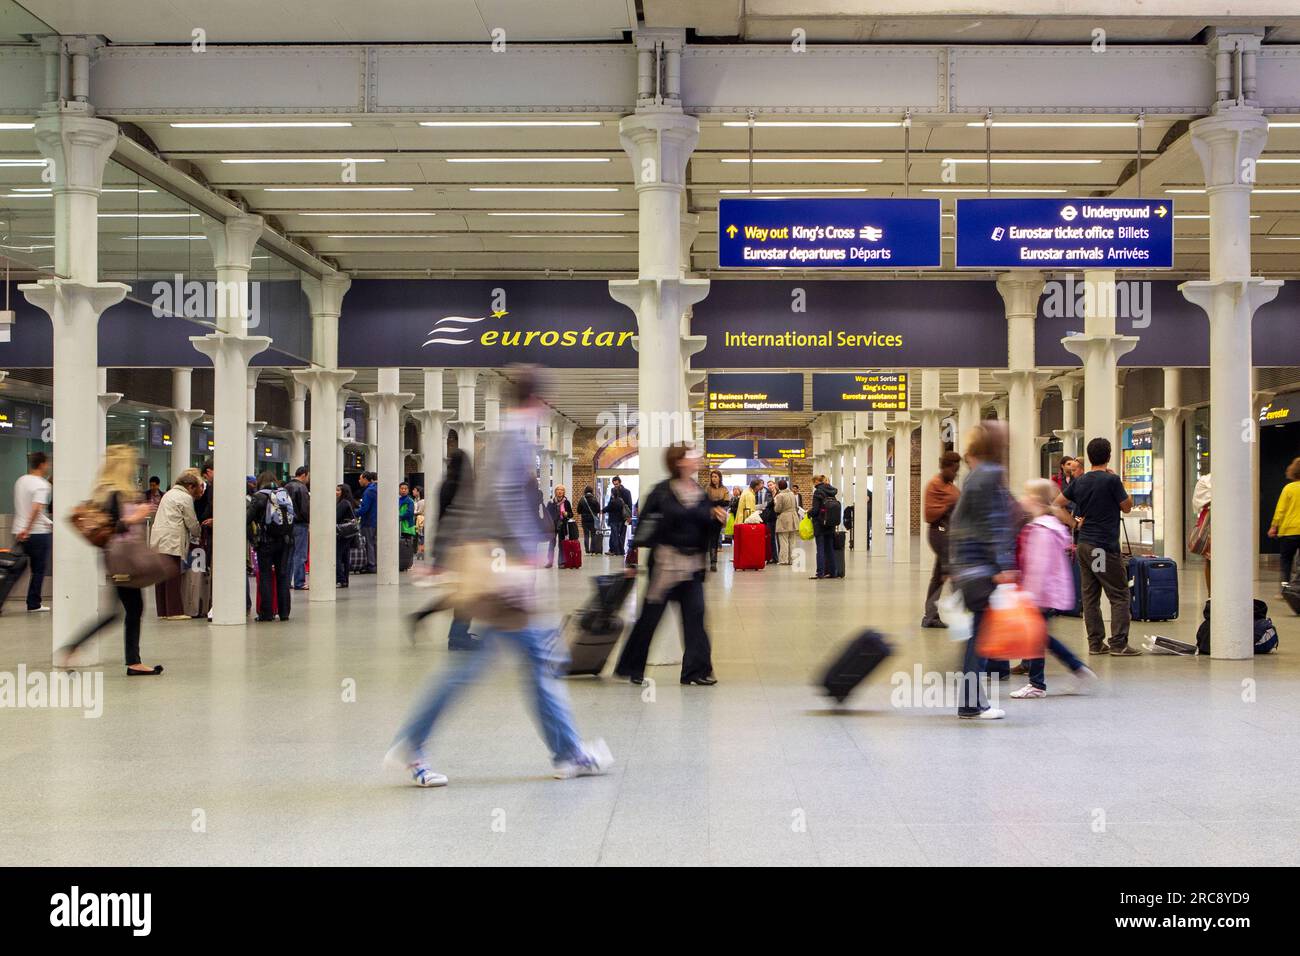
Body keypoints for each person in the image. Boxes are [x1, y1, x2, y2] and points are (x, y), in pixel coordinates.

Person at [386, 366, 612, 787]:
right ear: (540, 403)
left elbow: (472, 502)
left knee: (510, 663)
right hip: (504, 576)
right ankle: (567, 754)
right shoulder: (516, 437)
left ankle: (566, 752)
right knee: (521, 664)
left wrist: (444, 555)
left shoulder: (509, 436)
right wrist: (525, 557)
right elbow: (501, 500)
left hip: (499, 572)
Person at [614, 443, 725, 686]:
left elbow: (706, 528)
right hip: (665, 567)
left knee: (696, 618)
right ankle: (632, 667)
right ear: (678, 462)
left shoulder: (699, 493)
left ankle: (696, 672)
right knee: (649, 620)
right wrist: (631, 560)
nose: (697, 459)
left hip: (691, 567)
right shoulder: (661, 492)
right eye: (691, 456)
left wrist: (717, 521)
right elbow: (643, 526)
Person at [56, 446, 163, 676]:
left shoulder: (106, 491)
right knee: (128, 610)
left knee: (125, 610)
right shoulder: (114, 493)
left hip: (116, 558)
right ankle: (129, 661)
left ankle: (128, 660)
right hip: (121, 559)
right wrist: (136, 515)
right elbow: (114, 527)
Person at [949, 422, 1016, 720]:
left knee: (977, 635)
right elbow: (995, 525)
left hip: (966, 567)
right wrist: (1004, 565)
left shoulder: (972, 478)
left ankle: (971, 701)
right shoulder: (990, 475)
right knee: (979, 637)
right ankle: (972, 703)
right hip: (981, 569)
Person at [1010, 479, 1098, 699]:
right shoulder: (1051, 527)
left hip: (1040, 593)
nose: (1024, 499)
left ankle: (1038, 683)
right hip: (1047, 591)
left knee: (1036, 636)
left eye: (1027, 495)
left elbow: (1039, 565)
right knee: (1041, 636)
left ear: (1037, 501)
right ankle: (1077, 668)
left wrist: (1028, 594)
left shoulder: (1041, 530)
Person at [1055, 437, 1139, 657]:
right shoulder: (1111, 480)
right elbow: (1127, 507)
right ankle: (1119, 643)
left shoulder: (1080, 481)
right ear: (1109, 455)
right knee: (1119, 594)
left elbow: (1057, 505)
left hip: (1083, 544)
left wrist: (1074, 523)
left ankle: (1095, 643)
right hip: (1102, 548)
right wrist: (1125, 490)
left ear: (1089, 457)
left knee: (1090, 596)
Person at [409, 447, 479, 651]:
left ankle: (434, 622)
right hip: (461, 546)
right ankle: (457, 636)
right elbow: (465, 518)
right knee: (469, 593)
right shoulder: (461, 487)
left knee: (463, 592)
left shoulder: (445, 485)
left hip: (447, 545)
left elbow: (441, 517)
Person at [149, 472, 202, 620]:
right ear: (190, 486)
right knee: (173, 575)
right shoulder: (185, 497)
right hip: (171, 539)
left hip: (158, 537)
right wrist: (198, 532)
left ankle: (163, 611)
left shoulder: (169, 494)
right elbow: (191, 522)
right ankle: (174, 611)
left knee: (161, 577)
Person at [921, 451, 962, 628]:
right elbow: (929, 514)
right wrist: (949, 506)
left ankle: (930, 616)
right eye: (953, 470)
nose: (955, 474)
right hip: (939, 534)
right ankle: (960, 616)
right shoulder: (934, 485)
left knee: (938, 577)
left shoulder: (950, 486)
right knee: (952, 573)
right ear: (945, 467)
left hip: (949, 534)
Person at [247, 472, 294, 622]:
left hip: (266, 542)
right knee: (283, 576)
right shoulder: (284, 495)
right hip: (285, 541)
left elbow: (248, 519)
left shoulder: (259, 496)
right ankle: (284, 612)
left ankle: (266, 613)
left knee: (266, 577)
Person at [13, 451, 52, 613]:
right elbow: (36, 508)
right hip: (36, 533)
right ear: (42, 464)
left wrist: (22, 529)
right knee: (38, 570)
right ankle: (33, 603)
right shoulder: (42, 484)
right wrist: (27, 529)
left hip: (18, 530)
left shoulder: (21, 481)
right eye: (47, 463)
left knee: (14, 569)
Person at [1269, 457, 1300, 587]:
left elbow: (1280, 510)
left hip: (1289, 531)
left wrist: (1273, 527)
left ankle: (1285, 588)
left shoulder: (1288, 488)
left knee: (1286, 560)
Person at [808, 475, 840, 580]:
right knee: (830, 549)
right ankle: (833, 572)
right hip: (830, 524)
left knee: (820, 549)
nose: (814, 484)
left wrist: (809, 512)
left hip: (820, 524)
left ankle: (820, 573)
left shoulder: (818, 492)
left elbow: (816, 510)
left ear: (817, 481)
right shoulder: (832, 491)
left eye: (814, 482)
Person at [284, 467, 310, 590]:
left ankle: (286, 581)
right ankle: (299, 581)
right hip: (300, 524)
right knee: (300, 554)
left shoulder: (286, 487)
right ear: (304, 475)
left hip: (289, 525)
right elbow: (305, 509)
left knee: (289, 554)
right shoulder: (302, 488)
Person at [543, 484, 574, 568]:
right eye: (558, 490)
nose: (560, 491)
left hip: (562, 526)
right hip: (552, 526)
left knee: (561, 544)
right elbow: (546, 514)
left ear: (564, 492)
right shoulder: (551, 502)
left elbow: (571, 514)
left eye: (562, 490)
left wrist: (567, 514)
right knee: (551, 544)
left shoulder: (566, 502)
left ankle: (561, 562)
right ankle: (550, 562)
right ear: (555, 491)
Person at [705, 470, 728, 571]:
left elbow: (726, 502)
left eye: (715, 477)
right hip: (709, 517)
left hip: (719, 517)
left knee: (715, 539)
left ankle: (713, 562)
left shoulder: (724, 489)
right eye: (712, 477)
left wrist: (715, 502)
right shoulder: (708, 488)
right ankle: (710, 562)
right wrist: (718, 502)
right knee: (710, 539)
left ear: (719, 478)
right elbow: (706, 502)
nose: (714, 479)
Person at [1192, 471, 1212, 589]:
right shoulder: (1205, 481)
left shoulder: (1204, 481)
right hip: (1208, 524)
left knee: (1210, 560)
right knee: (1209, 560)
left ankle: (1212, 594)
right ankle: (1211, 594)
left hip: (1208, 522)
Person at [773, 478, 799, 566]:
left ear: (779, 487)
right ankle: (793, 560)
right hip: (794, 517)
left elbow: (778, 508)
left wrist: (775, 505)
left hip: (784, 518)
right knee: (793, 540)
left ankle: (784, 560)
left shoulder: (780, 496)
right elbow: (796, 505)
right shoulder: (792, 494)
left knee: (783, 540)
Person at [336, 483, 356, 588]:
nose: (336, 492)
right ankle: (345, 579)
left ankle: (340, 579)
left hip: (342, 533)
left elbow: (336, 516)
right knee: (345, 556)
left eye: (338, 490)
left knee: (337, 556)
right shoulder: (349, 502)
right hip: (349, 533)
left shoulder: (343, 503)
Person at [604, 480, 628, 556]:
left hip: (614, 521)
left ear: (612, 493)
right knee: (618, 536)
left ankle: (616, 551)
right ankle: (621, 551)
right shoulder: (621, 500)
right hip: (620, 520)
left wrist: (602, 511)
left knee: (615, 536)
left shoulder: (613, 501)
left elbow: (608, 508)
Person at [577, 484, 602, 555]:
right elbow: (598, 510)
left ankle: (587, 550)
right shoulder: (595, 499)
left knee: (586, 535)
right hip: (593, 520)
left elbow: (578, 511)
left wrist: (584, 512)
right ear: (591, 491)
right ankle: (592, 550)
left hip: (584, 520)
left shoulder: (582, 499)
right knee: (593, 534)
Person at [761, 479, 778, 564]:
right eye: (769, 485)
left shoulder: (779, 493)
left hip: (778, 517)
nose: (770, 487)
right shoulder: (768, 494)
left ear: (775, 485)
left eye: (771, 485)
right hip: (770, 518)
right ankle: (773, 557)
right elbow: (767, 504)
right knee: (771, 538)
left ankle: (780, 556)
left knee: (778, 538)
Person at [398, 481, 418, 560]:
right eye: (402, 488)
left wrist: (400, 517)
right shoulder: (397, 500)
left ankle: (408, 561)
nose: (403, 490)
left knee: (407, 545)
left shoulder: (410, 501)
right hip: (399, 526)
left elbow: (410, 512)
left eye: (405, 489)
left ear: (408, 490)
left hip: (407, 527)